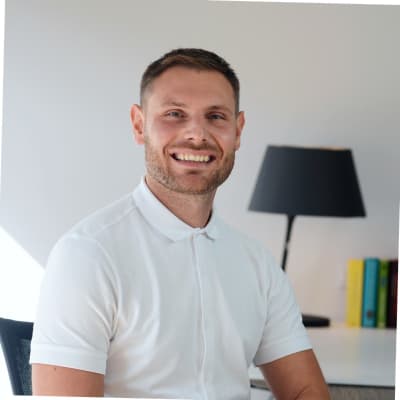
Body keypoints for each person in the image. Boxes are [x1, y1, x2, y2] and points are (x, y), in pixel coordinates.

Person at [30, 48, 330, 399]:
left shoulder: (258, 265)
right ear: (139, 125)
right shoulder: (88, 255)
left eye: (215, 116)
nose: (197, 134)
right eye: (174, 114)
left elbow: (305, 391)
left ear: (238, 130)